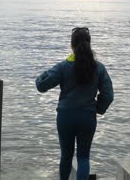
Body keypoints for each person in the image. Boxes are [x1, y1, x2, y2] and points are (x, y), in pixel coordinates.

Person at [35, 27, 114, 180]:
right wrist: (99, 108)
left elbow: (41, 85)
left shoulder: (63, 67)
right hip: (87, 117)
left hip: (65, 117)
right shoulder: (98, 67)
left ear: (72, 45)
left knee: (66, 156)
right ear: (89, 45)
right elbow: (108, 95)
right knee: (83, 157)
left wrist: (42, 75)